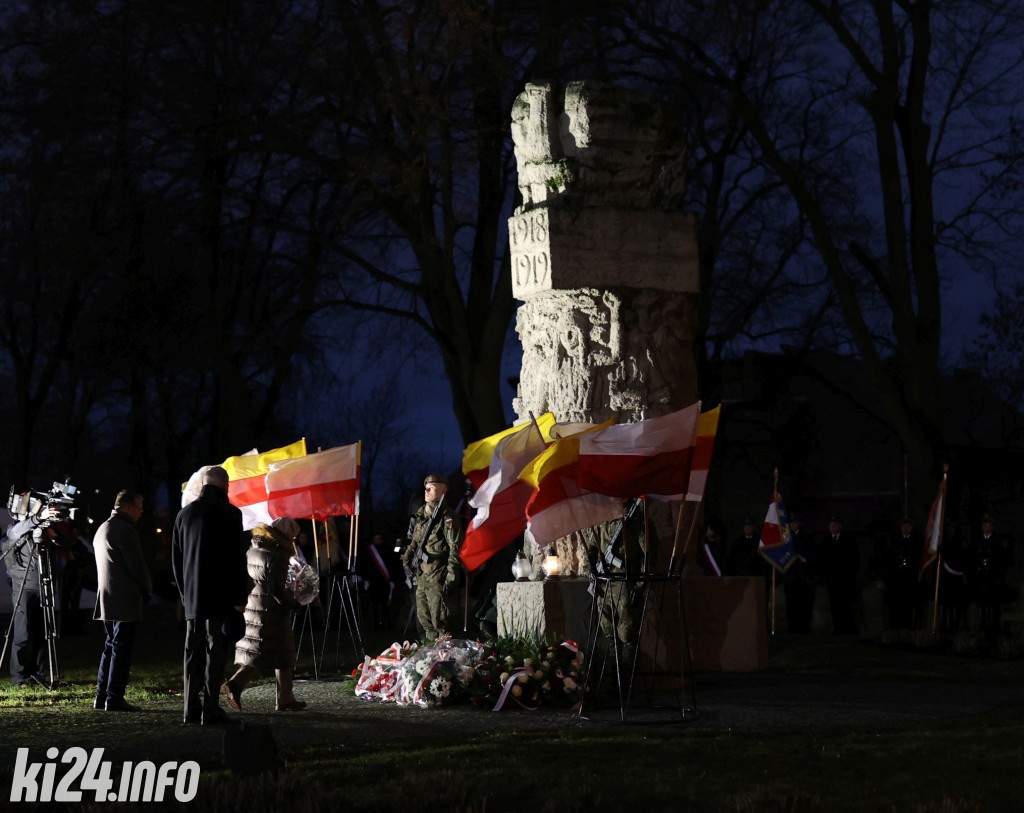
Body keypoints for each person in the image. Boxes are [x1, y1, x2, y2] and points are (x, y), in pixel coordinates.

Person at [171, 466, 248, 725]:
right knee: (216, 652)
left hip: (193, 597)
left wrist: (184, 594)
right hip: (221, 595)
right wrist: (240, 598)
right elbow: (238, 559)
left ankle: (189, 710)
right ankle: (210, 709)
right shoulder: (230, 514)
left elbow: (176, 560)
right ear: (225, 486)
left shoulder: (184, 515)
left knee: (191, 652)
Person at [221, 517, 306, 712]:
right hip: (271, 608)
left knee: (280, 651)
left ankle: (285, 697)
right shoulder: (279, 553)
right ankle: (236, 684)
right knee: (264, 650)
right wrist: (292, 603)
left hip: (255, 602)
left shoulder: (255, 548)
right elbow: (276, 587)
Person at [92, 490, 152, 712]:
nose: (141, 511)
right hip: (124, 597)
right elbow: (137, 566)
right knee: (121, 649)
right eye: (139, 506)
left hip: (107, 598)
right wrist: (148, 588)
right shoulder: (125, 530)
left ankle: (102, 695)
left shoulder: (104, 527)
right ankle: (114, 697)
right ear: (127, 507)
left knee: (110, 646)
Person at [400, 474, 464, 641]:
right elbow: (414, 543)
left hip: (438, 575)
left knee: (440, 621)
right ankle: (427, 656)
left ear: (443, 491)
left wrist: (451, 577)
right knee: (424, 621)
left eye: (432, 488)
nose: (427, 491)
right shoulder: (421, 516)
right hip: (421, 575)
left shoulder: (447, 517)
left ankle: (445, 658)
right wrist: (406, 563)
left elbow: (455, 549)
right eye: (426, 488)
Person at [3, 507, 61, 686]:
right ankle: (19, 677)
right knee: (23, 634)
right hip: (24, 589)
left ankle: (38, 672)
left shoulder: (42, 533)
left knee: (44, 633)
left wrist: (52, 535)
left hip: (44, 589)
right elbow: (21, 528)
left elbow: (62, 546)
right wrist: (38, 517)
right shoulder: (15, 530)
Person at [967, 514, 1013, 641]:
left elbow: (1002, 560)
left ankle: (991, 629)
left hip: (992, 577)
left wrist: (998, 576)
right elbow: (974, 558)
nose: (985, 527)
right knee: (981, 604)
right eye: (983, 525)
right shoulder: (978, 540)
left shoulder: (997, 540)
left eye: (988, 525)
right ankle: (982, 628)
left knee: (991, 605)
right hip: (980, 577)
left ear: (992, 527)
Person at [817, 516, 861, 634]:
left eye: (835, 525)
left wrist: (851, 574)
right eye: (831, 525)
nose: (832, 527)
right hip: (832, 579)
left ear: (840, 526)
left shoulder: (849, 540)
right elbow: (821, 560)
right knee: (834, 604)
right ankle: (837, 627)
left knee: (846, 603)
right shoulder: (825, 541)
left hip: (846, 578)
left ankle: (848, 627)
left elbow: (855, 559)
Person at [882, 518, 923, 631]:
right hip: (897, 578)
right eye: (904, 526)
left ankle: (907, 626)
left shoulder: (917, 541)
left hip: (910, 578)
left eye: (908, 526)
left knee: (908, 604)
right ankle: (896, 626)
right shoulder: (894, 541)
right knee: (896, 603)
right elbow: (889, 558)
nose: (906, 529)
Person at [782, 513, 817, 633]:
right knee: (791, 604)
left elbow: (811, 556)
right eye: (791, 523)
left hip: (802, 576)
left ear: (799, 524)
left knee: (804, 603)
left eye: (794, 522)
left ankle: (804, 627)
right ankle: (792, 627)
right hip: (790, 576)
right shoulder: (786, 538)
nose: (792, 525)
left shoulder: (807, 537)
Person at [357, 532, 397, 631]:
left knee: (385, 605)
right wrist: (365, 579)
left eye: (380, 538)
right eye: (376, 539)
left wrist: (392, 579)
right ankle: (376, 625)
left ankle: (386, 625)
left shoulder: (387, 549)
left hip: (384, 582)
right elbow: (364, 565)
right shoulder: (369, 551)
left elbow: (392, 564)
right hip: (373, 582)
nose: (378, 541)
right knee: (374, 605)